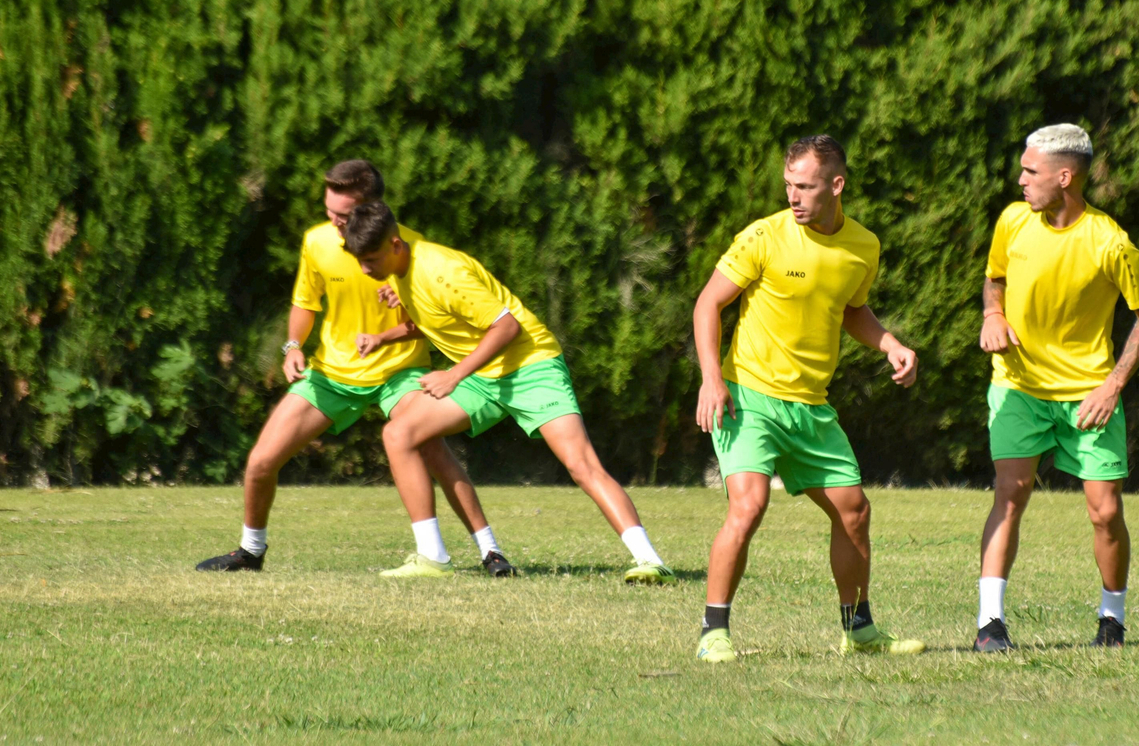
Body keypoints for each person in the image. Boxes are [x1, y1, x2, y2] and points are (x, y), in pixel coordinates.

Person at [195, 160, 513, 577]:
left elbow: (435, 317)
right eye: (329, 212)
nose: (334, 223)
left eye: (342, 217)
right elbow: (305, 303)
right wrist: (293, 346)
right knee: (260, 461)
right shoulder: (317, 242)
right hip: (333, 374)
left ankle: (486, 552)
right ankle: (250, 553)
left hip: (399, 372)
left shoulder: (408, 249)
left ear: (374, 211)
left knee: (429, 446)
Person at [342, 201, 674, 584]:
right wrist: (384, 337)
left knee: (581, 466)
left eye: (371, 259)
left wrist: (453, 376)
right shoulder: (399, 273)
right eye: (360, 261)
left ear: (396, 245)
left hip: (531, 367)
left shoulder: (443, 272)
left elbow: (506, 327)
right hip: (484, 375)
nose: (366, 269)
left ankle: (650, 561)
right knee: (400, 432)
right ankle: (433, 557)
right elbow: (439, 320)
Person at [690, 135, 925, 664]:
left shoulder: (863, 246)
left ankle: (858, 630)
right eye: (789, 185)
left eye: (805, 187)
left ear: (836, 186)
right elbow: (709, 302)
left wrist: (890, 344)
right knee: (748, 506)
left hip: (811, 406)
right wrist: (712, 377)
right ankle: (713, 631)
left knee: (854, 511)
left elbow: (851, 309)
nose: (793, 197)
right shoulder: (763, 237)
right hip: (749, 397)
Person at [974, 124, 1139, 651]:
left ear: (1065, 176)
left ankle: (1113, 619)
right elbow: (995, 278)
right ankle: (990, 626)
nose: (1020, 181)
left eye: (1030, 171)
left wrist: (1113, 385)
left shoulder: (1110, 242)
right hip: (1018, 386)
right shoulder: (1013, 221)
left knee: (1105, 512)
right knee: (1009, 496)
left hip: (1087, 395)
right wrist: (993, 312)